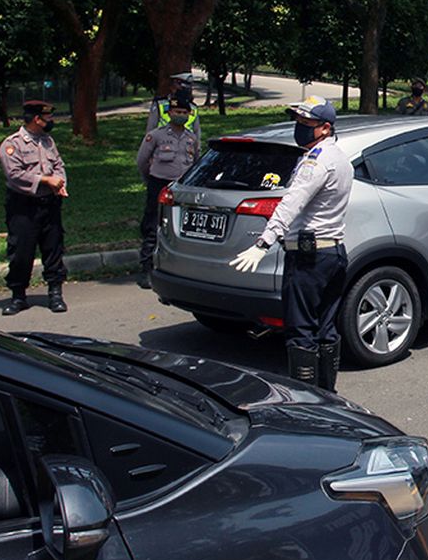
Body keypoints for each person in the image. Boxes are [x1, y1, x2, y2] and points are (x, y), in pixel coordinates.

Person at [229, 98, 351, 390]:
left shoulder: (316, 161)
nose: (300, 128)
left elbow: (291, 204)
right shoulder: (340, 158)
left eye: (306, 124)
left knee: (301, 331)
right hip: (332, 252)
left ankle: (307, 402)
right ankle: (327, 396)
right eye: (298, 122)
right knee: (325, 328)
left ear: (324, 128)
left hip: (310, 259)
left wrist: (263, 243)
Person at [0, 101, 69, 315]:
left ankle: (55, 293)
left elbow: (58, 165)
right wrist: (46, 180)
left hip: (49, 203)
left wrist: (60, 182)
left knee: (53, 247)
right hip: (23, 205)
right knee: (21, 250)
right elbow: (15, 175)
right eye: (47, 118)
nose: (51, 121)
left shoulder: (48, 141)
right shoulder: (12, 144)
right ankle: (18, 296)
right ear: (36, 119)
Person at [135, 98, 199, 289]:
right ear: (169, 113)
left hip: (181, 189)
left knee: (182, 227)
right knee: (152, 225)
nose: (180, 115)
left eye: (184, 113)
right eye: (177, 112)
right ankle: (146, 268)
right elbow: (142, 161)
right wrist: (151, 180)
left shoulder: (191, 138)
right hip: (159, 185)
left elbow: (195, 162)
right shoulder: (156, 136)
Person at [147, 72, 201, 147]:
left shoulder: (193, 107)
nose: (186, 90)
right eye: (182, 87)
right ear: (173, 87)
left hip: (186, 146)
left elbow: (196, 132)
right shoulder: (161, 104)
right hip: (163, 146)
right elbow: (150, 129)